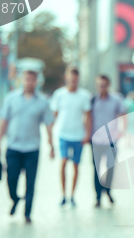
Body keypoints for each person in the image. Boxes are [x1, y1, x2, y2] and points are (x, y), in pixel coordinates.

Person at [0, 70, 55, 223]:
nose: (29, 83)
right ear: (22, 81)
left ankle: (27, 213)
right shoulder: (11, 99)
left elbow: (49, 124)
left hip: (32, 148)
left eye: (32, 80)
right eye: (27, 80)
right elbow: (3, 121)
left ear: (37, 82)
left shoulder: (42, 101)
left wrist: (51, 144)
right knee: (11, 178)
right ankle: (14, 199)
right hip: (13, 147)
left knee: (31, 182)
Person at [50, 67, 92, 207]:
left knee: (75, 165)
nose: (73, 81)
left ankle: (72, 195)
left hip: (78, 136)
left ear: (78, 80)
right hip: (63, 134)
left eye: (75, 79)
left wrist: (87, 134)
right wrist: (51, 134)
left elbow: (88, 116)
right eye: (71, 79)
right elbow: (54, 114)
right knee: (63, 162)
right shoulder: (59, 95)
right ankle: (63, 194)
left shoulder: (84, 96)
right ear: (66, 78)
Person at [90, 74, 127, 207]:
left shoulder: (116, 99)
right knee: (96, 169)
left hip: (111, 140)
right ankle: (98, 196)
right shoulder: (93, 100)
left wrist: (122, 131)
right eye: (99, 85)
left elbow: (123, 114)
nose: (102, 88)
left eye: (104, 85)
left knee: (110, 168)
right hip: (96, 140)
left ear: (108, 85)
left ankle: (108, 190)